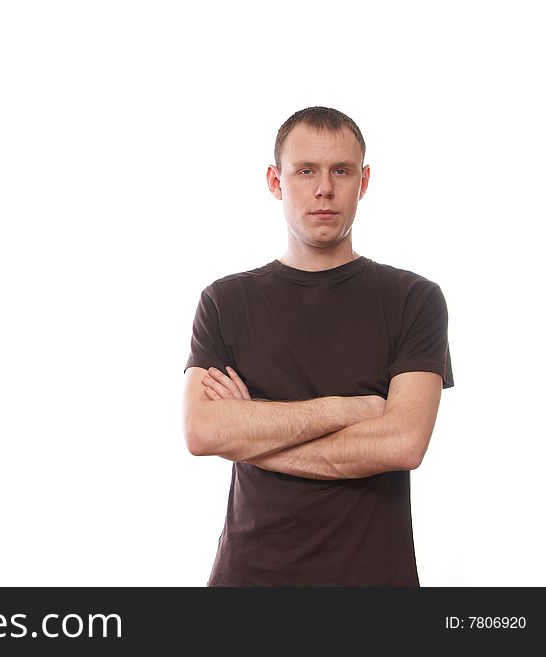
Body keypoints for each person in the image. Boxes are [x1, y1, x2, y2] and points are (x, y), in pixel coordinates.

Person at [182, 106, 454, 586]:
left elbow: (403, 443)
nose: (323, 188)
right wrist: (352, 410)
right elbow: (202, 431)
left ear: (363, 181)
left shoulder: (413, 299)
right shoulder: (225, 301)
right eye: (305, 170)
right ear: (275, 180)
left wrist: (252, 439)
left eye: (341, 171)